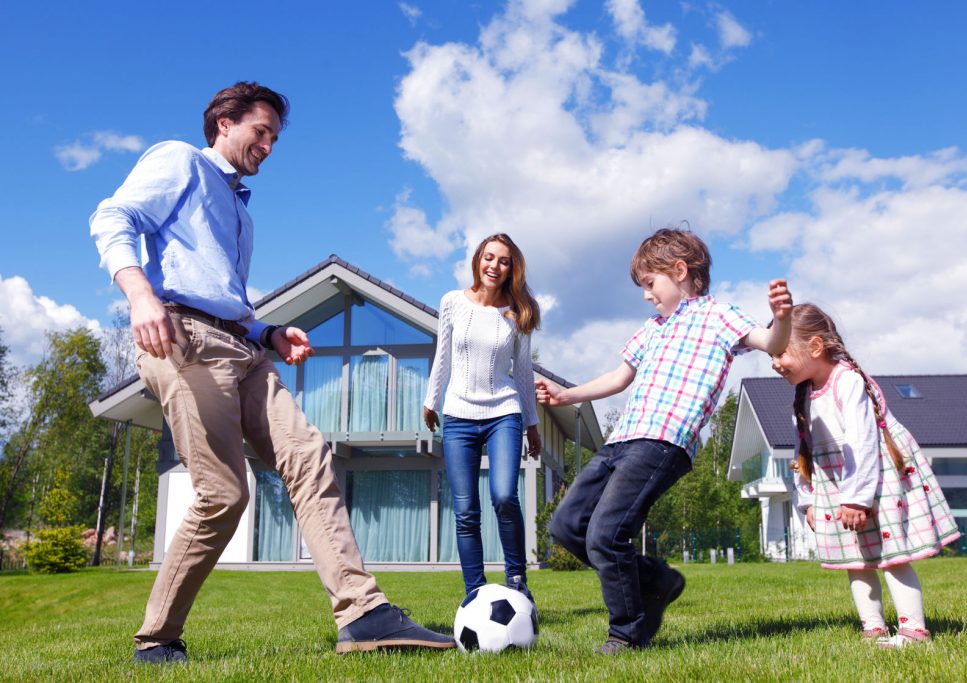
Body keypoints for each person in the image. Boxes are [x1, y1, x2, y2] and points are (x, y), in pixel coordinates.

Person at [90, 81, 454, 663]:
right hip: (184, 340)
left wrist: (266, 332)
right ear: (224, 124)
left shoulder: (239, 210)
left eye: (275, 138)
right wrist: (139, 296)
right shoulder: (180, 160)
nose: (268, 146)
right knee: (225, 494)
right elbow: (113, 215)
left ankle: (362, 614)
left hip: (242, 347)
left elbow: (223, 294)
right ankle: (157, 638)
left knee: (309, 456)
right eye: (261, 132)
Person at [535, 227, 793, 653]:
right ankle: (655, 579)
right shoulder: (651, 329)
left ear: (680, 271)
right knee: (567, 526)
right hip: (622, 440)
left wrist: (781, 319)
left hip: (664, 442)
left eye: (650, 284)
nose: (645, 295)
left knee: (606, 534)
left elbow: (770, 343)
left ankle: (627, 633)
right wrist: (568, 395)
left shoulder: (718, 316)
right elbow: (619, 378)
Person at [771, 303, 960, 648]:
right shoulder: (803, 396)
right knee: (855, 561)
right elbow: (803, 454)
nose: (775, 362)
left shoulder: (847, 381)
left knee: (891, 557)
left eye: (781, 352)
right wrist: (809, 500)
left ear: (815, 346)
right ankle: (873, 629)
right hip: (836, 484)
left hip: (873, 479)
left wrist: (857, 498)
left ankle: (913, 631)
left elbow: (862, 440)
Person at [423, 233, 542, 600]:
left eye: (503, 260)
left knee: (505, 495)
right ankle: (474, 592)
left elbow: (522, 372)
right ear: (478, 260)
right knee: (465, 510)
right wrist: (431, 400)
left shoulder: (518, 313)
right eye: (488, 257)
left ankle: (517, 580)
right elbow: (443, 356)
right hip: (458, 415)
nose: (494, 265)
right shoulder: (452, 302)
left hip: (503, 412)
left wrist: (533, 424)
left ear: (511, 269)